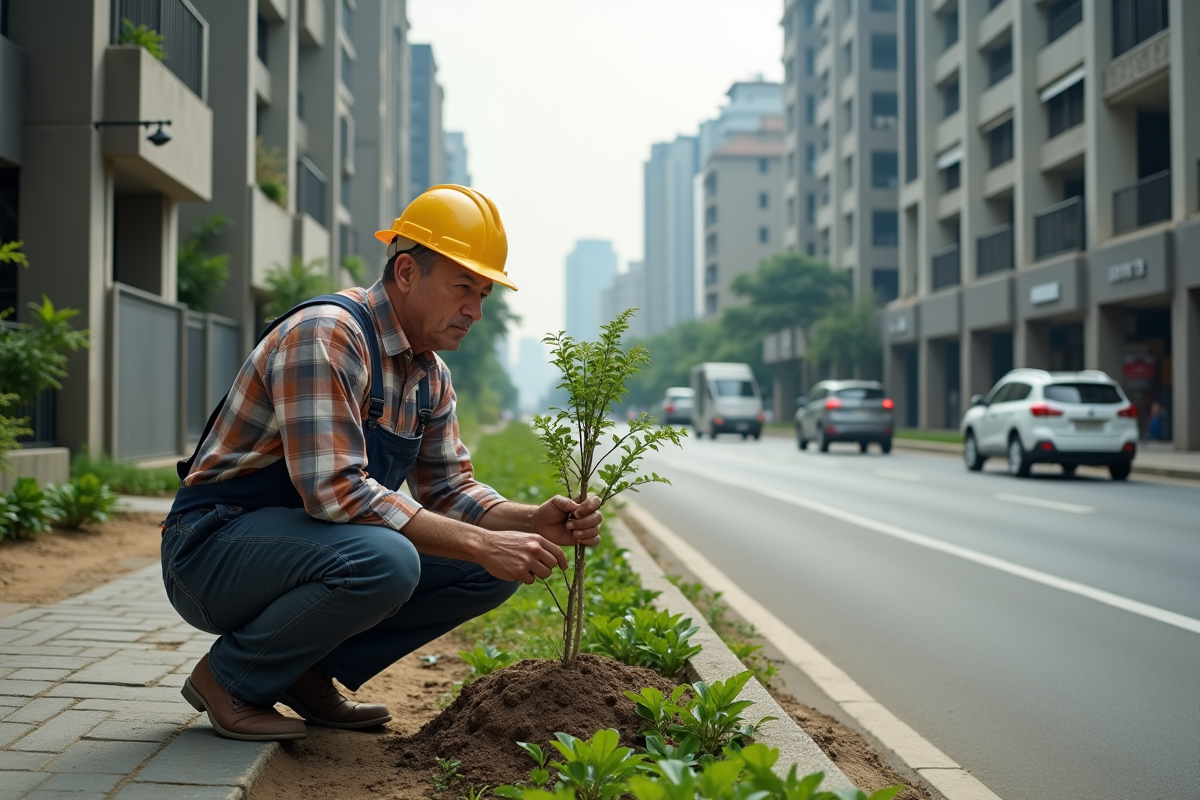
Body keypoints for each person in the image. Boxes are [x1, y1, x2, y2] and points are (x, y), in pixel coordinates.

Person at [161, 185, 603, 742]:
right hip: (209, 552)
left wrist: (527, 522)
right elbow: (335, 493)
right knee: (391, 558)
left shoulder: (430, 376)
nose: (476, 310)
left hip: (299, 550)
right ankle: (228, 678)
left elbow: (449, 488)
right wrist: (480, 541)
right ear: (406, 273)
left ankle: (300, 671)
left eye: (484, 293)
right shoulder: (327, 335)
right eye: (464, 287)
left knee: (486, 572)